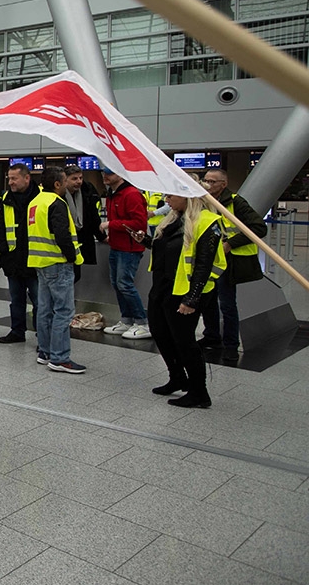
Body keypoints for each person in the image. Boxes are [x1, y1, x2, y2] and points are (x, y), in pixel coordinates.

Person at [134, 191, 225, 408]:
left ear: (187, 196)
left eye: (171, 196)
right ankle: (177, 377)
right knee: (160, 333)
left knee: (184, 341)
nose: (166, 200)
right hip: (163, 287)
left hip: (186, 291)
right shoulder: (173, 219)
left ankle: (199, 392)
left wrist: (191, 299)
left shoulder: (207, 222)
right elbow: (168, 250)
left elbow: (203, 264)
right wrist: (146, 240)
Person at [198, 168, 267, 362]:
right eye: (206, 180)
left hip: (229, 262)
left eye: (213, 182)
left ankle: (231, 345)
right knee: (207, 301)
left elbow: (259, 228)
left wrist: (230, 243)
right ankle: (211, 336)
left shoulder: (236, 202)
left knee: (227, 304)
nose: (208, 184)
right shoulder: (203, 202)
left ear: (223, 184)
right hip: (208, 260)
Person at [28, 166, 86, 374]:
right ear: (57, 184)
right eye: (65, 182)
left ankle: (44, 352)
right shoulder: (56, 203)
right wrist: (72, 258)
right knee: (63, 311)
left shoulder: (35, 202)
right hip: (58, 263)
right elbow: (62, 234)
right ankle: (60, 358)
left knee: (44, 309)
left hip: (40, 262)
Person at [99, 168, 151, 339]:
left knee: (125, 284)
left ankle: (142, 322)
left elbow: (139, 223)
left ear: (120, 175)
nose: (105, 176)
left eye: (110, 173)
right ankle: (127, 319)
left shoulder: (131, 194)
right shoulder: (113, 194)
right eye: (104, 173)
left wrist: (111, 225)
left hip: (129, 249)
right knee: (118, 284)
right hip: (117, 246)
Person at [0, 163, 38, 344]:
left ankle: (41, 335)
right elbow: (0, 228)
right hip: (13, 260)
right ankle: (17, 331)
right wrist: (5, 253)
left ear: (27, 178)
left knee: (40, 302)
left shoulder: (41, 197)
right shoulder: (5, 198)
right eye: (9, 178)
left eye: (14, 178)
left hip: (35, 259)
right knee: (16, 300)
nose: (11, 182)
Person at [63, 165, 105, 282]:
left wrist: (102, 236)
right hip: (63, 242)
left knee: (75, 276)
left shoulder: (87, 192)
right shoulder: (58, 195)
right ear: (65, 179)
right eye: (74, 179)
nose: (79, 182)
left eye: (80, 178)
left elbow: (93, 217)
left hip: (80, 240)